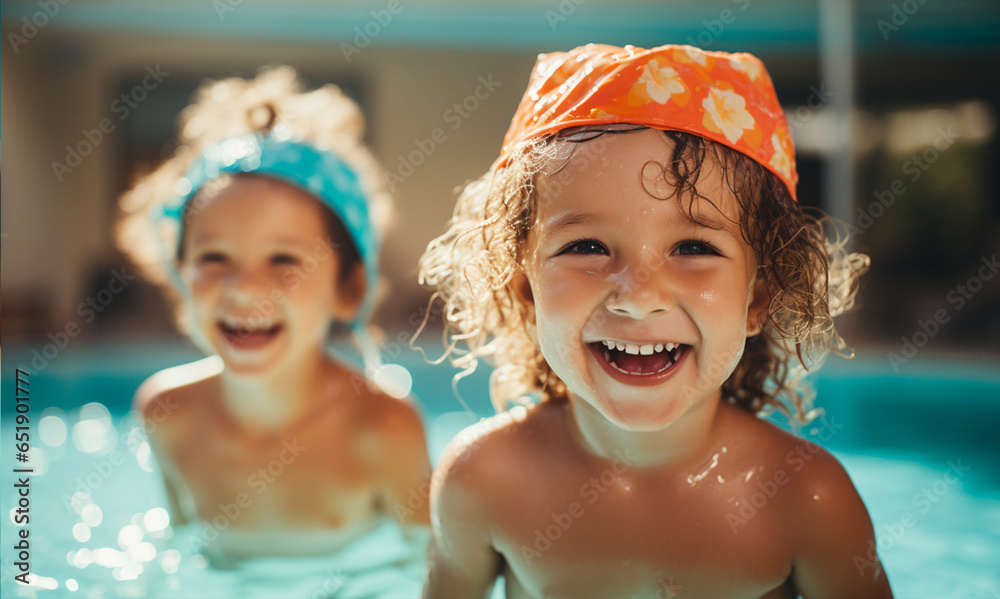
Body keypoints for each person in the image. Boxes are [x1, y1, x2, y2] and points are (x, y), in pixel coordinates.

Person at [419, 44, 892, 598]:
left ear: (757, 299)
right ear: (526, 291)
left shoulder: (804, 499)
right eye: (588, 245)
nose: (639, 296)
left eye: (693, 246)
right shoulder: (484, 479)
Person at [116, 67, 431, 562]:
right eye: (213, 259)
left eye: (284, 260)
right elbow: (182, 556)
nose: (244, 287)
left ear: (348, 289)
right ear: (180, 279)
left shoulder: (383, 428)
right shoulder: (166, 414)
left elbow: (425, 568)